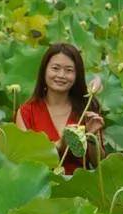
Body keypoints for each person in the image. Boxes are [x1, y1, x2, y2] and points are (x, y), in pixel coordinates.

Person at [16, 43, 105, 174]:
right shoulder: (26, 112)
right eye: (55, 68)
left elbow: (99, 164)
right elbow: (23, 161)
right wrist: (61, 144)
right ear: (44, 70)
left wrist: (91, 138)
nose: (61, 75)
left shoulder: (86, 109)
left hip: (78, 188)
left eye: (69, 70)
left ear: (77, 75)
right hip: (40, 189)